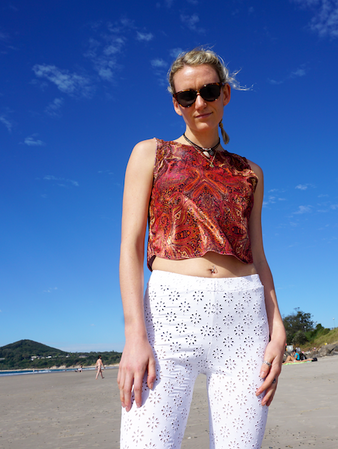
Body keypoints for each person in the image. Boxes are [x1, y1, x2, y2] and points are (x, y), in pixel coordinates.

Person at [117, 47, 286, 449]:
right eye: (186, 96)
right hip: (168, 316)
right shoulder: (150, 154)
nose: (199, 103)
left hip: (244, 321)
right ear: (175, 104)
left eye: (209, 91)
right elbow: (130, 248)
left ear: (226, 94)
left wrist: (277, 328)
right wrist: (134, 335)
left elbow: (258, 256)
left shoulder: (251, 173)